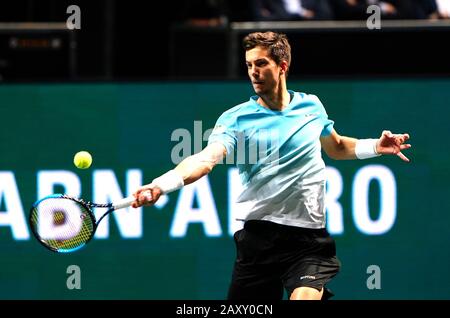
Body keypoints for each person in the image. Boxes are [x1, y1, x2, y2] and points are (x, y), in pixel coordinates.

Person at [131, 31, 411, 300]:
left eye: (261, 63)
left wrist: (376, 146)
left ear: (282, 67)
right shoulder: (236, 119)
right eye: (249, 65)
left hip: (308, 242)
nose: (253, 71)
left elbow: (336, 147)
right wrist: (162, 184)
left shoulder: (311, 106)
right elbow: (205, 160)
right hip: (257, 243)